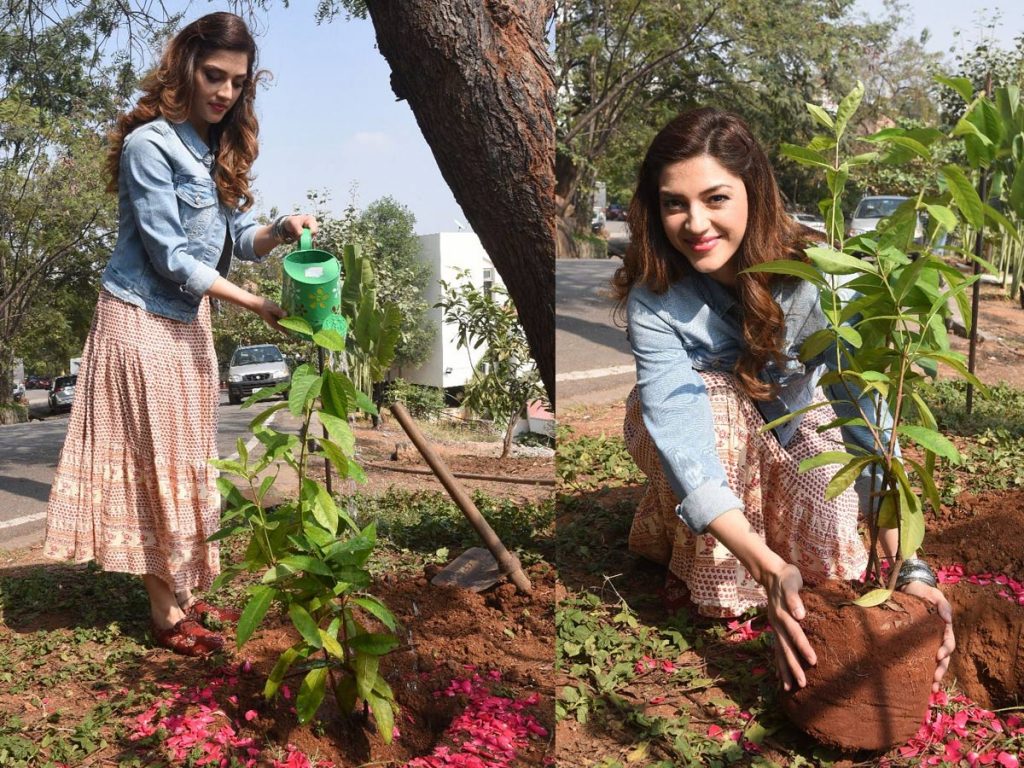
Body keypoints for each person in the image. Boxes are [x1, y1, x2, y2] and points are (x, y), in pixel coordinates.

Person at [612, 107, 955, 693]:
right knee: (716, 411)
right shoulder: (657, 299)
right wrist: (764, 564)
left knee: (832, 532)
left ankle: (753, 534)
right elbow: (681, 425)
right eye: (675, 204)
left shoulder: (816, 278)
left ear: (754, 193)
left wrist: (911, 568)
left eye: (716, 198)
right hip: (698, 429)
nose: (695, 223)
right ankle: (709, 559)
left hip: (788, 427)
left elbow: (863, 416)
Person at [43, 12, 317, 657]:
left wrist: (280, 229)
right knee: (158, 462)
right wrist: (253, 303)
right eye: (213, 76)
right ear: (186, 69)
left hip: (187, 322)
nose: (224, 92)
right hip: (138, 318)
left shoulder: (212, 148)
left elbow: (235, 243)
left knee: (188, 457)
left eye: (236, 82)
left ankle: (185, 592)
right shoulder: (152, 146)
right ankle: (167, 616)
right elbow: (171, 256)